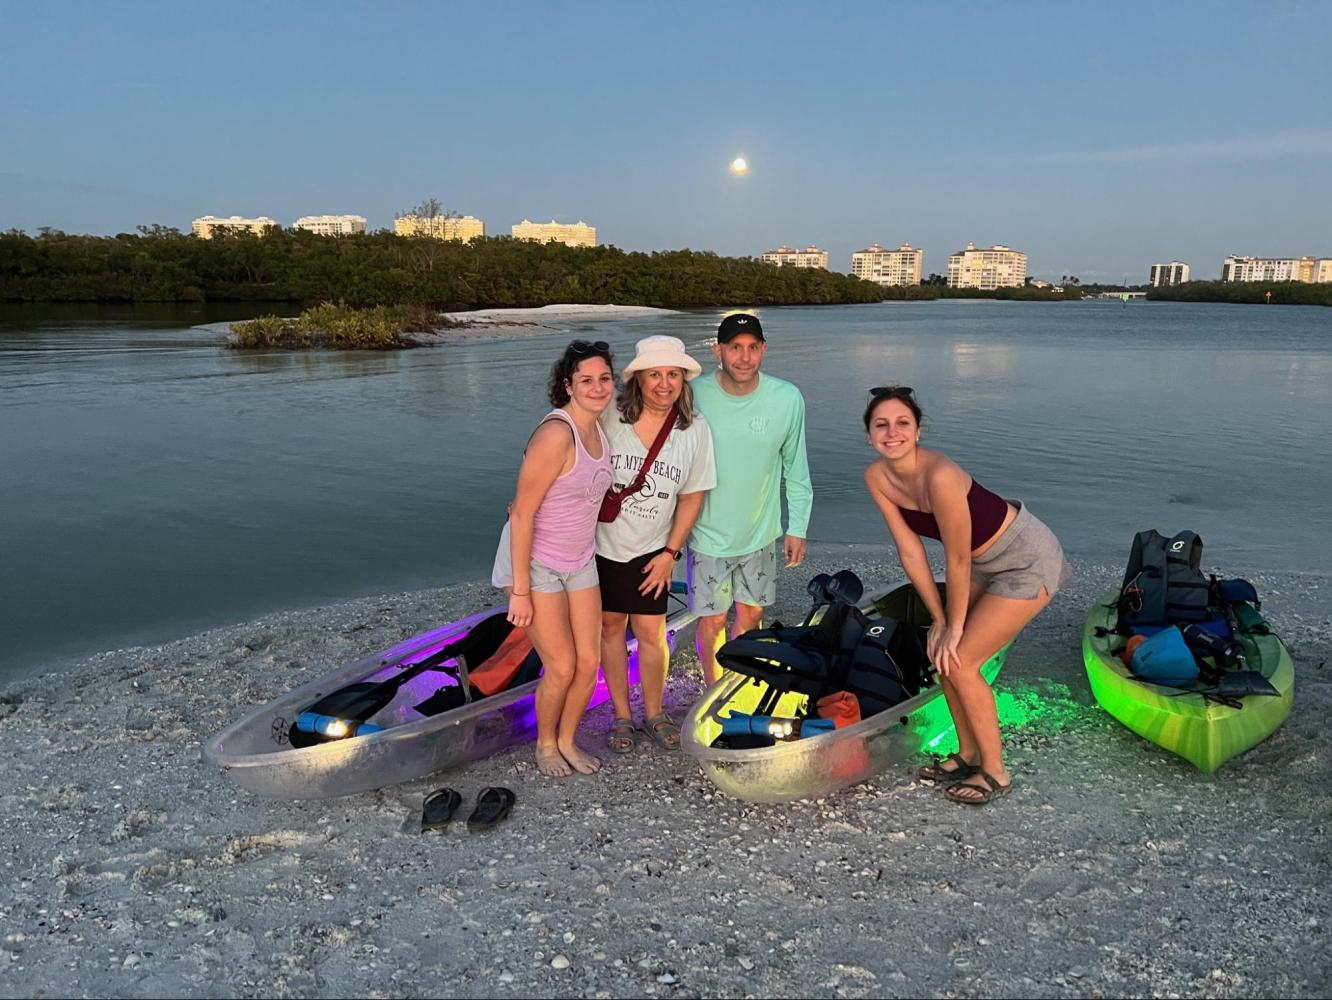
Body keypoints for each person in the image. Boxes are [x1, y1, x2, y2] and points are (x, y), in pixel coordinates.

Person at [861, 385, 1072, 805]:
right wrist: (939, 621)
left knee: (962, 659)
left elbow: (956, 559)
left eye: (903, 423)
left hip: (1025, 559)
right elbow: (911, 552)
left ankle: (995, 771)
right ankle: (968, 751)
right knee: (940, 653)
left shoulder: (940, 476)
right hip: (981, 564)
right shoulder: (876, 477)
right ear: (869, 435)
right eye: (881, 425)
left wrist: (952, 626)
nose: (892, 433)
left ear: (919, 430)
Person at [491, 340, 615, 778]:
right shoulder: (556, 434)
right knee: (561, 666)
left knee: (588, 664)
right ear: (567, 385)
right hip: (537, 563)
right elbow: (522, 513)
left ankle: (567, 740)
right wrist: (520, 591)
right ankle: (545, 745)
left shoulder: (600, 430)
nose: (597, 387)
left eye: (604, 378)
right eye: (586, 380)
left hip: (580, 559)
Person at [596, 336, 716, 754]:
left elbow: (693, 495)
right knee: (610, 628)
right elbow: (565, 447)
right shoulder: (611, 416)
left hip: (655, 548)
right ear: (639, 379)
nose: (664, 384)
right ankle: (621, 715)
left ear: (683, 379)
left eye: (672, 374)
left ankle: (654, 712)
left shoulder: (694, 428)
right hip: (603, 544)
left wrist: (670, 554)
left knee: (650, 631)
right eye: (654, 374)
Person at [689, 312, 812, 687]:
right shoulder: (693, 393)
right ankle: (713, 688)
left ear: (764, 350)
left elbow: (796, 468)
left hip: (760, 534)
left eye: (752, 348)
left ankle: (739, 681)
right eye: (735, 348)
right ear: (718, 351)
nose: (744, 357)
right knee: (711, 621)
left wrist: (798, 527)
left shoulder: (787, 398)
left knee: (751, 615)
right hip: (706, 534)